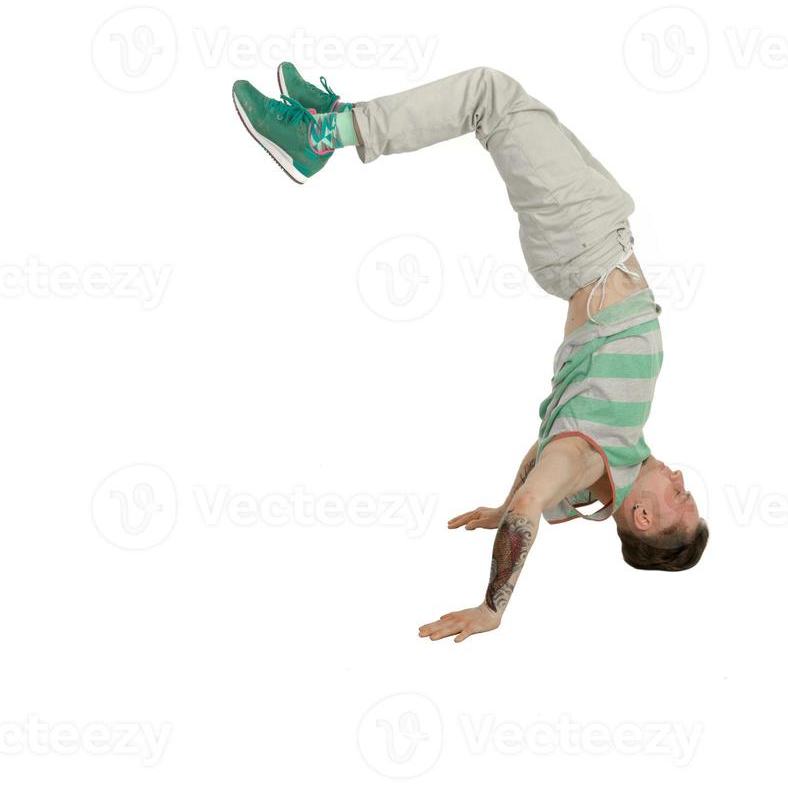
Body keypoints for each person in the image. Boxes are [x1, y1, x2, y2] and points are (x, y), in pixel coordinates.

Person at [232, 64, 709, 643]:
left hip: (583, 243)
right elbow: (537, 464)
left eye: (679, 497)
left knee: (489, 96)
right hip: (601, 235)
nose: (681, 478)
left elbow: (533, 500)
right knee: (515, 107)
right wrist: (505, 503)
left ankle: (322, 137)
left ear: (644, 517)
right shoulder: (600, 479)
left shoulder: (587, 464)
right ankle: (333, 120)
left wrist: (493, 604)